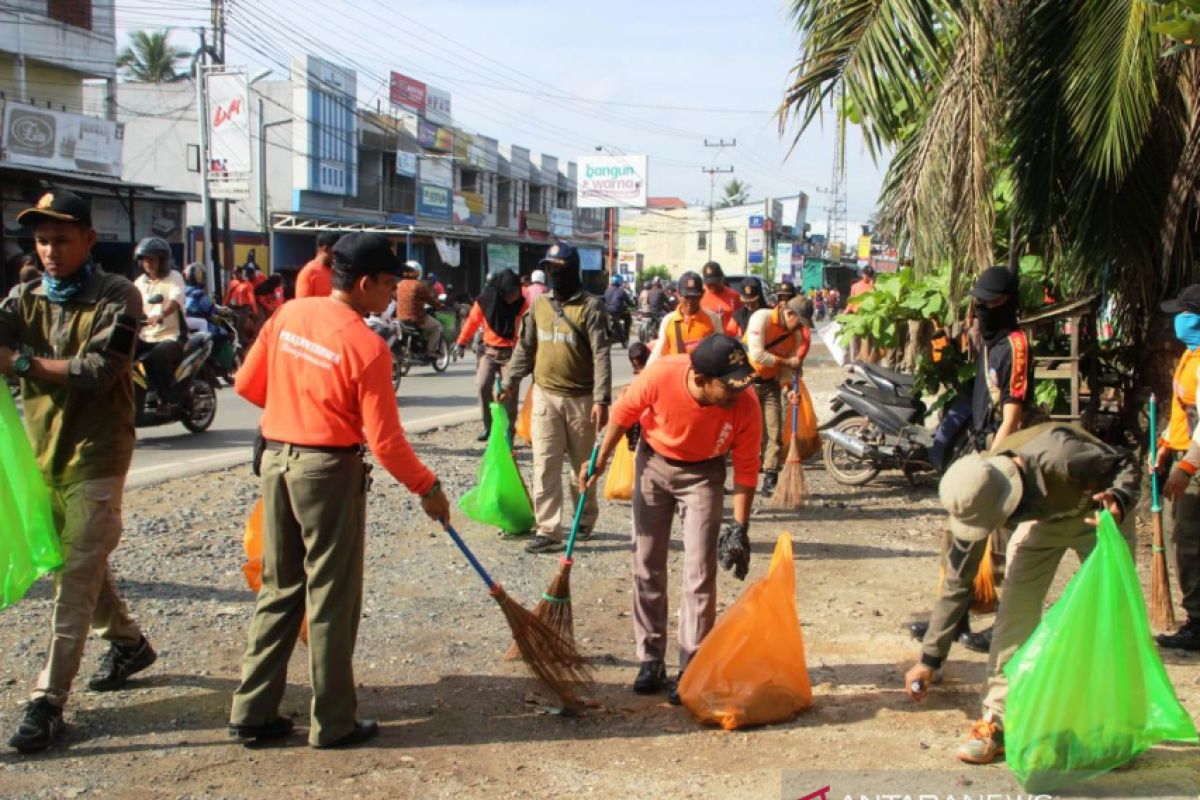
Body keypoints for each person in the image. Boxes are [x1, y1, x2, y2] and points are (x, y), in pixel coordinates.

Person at [229, 232, 450, 749]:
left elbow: (246, 385)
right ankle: (333, 722)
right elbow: (387, 442)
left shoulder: (289, 316)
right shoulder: (367, 346)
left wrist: (294, 405)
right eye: (391, 284)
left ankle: (252, 711)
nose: (395, 294)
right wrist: (428, 487)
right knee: (330, 596)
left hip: (276, 462)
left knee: (280, 588)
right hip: (327, 472)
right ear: (368, 282)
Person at [0, 190, 155, 754]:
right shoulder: (24, 299)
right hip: (43, 456)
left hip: (98, 455)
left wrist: (19, 362)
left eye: (61, 239)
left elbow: (98, 369)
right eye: (42, 240)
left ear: (89, 239)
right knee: (77, 562)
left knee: (74, 579)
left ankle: (48, 701)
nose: (50, 250)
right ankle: (130, 644)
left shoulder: (119, 295)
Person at [904, 423, 1139, 764]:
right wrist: (929, 659)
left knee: (1113, 621)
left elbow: (1125, 463)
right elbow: (958, 580)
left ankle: (1116, 728)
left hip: (1098, 516)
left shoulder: (1062, 457)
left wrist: (1118, 499)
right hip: (1044, 523)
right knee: (1014, 617)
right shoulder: (974, 494)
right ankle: (997, 723)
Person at [582, 334, 762, 703]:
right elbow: (621, 414)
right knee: (646, 563)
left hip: (705, 474)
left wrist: (740, 528)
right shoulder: (661, 374)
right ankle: (650, 659)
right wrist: (598, 460)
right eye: (727, 386)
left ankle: (692, 666)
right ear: (700, 379)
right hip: (654, 465)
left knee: (701, 571)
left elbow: (746, 469)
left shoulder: (746, 403)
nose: (736, 394)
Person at [910, 267, 1032, 664]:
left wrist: (993, 465)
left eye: (987, 302)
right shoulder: (988, 340)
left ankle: (1000, 627)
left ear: (1008, 303)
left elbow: (1013, 415)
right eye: (976, 301)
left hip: (1002, 457)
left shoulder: (1014, 345)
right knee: (957, 542)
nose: (979, 309)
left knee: (998, 550)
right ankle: (952, 621)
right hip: (979, 448)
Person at [500, 243, 612, 554]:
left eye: (559, 269)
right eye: (550, 269)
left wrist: (602, 400)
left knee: (582, 467)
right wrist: (511, 380)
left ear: (572, 271)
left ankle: (584, 518)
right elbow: (525, 347)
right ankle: (548, 529)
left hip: (582, 399)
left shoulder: (591, 307)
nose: (553, 275)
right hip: (545, 396)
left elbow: (602, 355)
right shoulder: (540, 306)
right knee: (545, 464)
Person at [1152, 284, 1200, 651]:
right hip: (1185, 452)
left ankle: (1197, 621)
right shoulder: (1190, 355)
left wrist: (1185, 466)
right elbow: (1184, 411)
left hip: (1195, 463)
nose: (1178, 321)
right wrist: (1166, 441)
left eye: (1185, 314)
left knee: (1187, 541)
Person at [745, 296, 812, 495]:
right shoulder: (761, 318)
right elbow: (757, 354)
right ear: (789, 313)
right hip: (746, 383)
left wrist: (787, 389)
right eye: (799, 321)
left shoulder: (795, 336)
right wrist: (787, 362)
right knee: (744, 433)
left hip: (770, 385)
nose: (800, 326)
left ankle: (770, 477)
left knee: (774, 433)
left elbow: (784, 373)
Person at [453, 269, 529, 443]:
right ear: (501, 292)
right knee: (481, 385)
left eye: (517, 292)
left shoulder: (522, 304)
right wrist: (460, 342)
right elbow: (472, 322)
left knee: (509, 391)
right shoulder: (485, 301)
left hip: (511, 353)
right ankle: (488, 426)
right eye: (510, 294)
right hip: (489, 351)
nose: (515, 296)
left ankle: (509, 430)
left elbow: (529, 327)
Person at [132, 236, 186, 414]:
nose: (147, 263)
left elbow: (175, 301)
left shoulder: (174, 277)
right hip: (145, 335)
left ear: (162, 260)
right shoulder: (140, 282)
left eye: (151, 259)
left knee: (157, 355)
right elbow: (130, 302)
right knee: (121, 351)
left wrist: (161, 314)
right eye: (144, 259)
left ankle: (167, 398)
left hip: (171, 335)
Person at [646, 271, 722, 365]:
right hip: (676, 375)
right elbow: (658, 353)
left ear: (702, 294)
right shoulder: (668, 320)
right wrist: (645, 375)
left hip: (703, 376)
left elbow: (722, 351)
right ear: (678, 295)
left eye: (694, 297)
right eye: (687, 297)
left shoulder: (713, 319)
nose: (690, 301)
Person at [394, 260, 444, 360]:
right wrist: (439, 305)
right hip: (416, 318)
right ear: (418, 272)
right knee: (438, 326)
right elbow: (431, 300)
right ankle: (431, 351)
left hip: (400, 318)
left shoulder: (399, 285)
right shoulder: (419, 285)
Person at [699, 261, 741, 336]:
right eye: (709, 283)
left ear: (722, 279)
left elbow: (741, 320)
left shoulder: (734, 296)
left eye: (715, 282)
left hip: (728, 340)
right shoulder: (699, 295)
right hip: (707, 341)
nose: (712, 286)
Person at [295, 231, 341, 299]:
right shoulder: (309, 272)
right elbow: (302, 305)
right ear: (326, 249)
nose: (339, 254)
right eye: (337, 250)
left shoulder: (336, 271)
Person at [846, 266, 876, 363]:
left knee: (867, 339)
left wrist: (873, 286)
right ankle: (853, 361)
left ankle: (865, 361)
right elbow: (851, 302)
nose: (868, 277)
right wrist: (845, 313)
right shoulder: (855, 286)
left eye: (870, 275)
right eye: (867, 275)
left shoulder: (874, 286)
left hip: (869, 316)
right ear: (863, 274)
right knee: (854, 338)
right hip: (856, 315)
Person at [604, 274, 633, 340]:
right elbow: (629, 302)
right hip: (617, 311)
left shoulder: (607, 290)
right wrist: (633, 305)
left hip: (607, 311)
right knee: (628, 318)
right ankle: (625, 336)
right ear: (620, 282)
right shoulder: (622, 291)